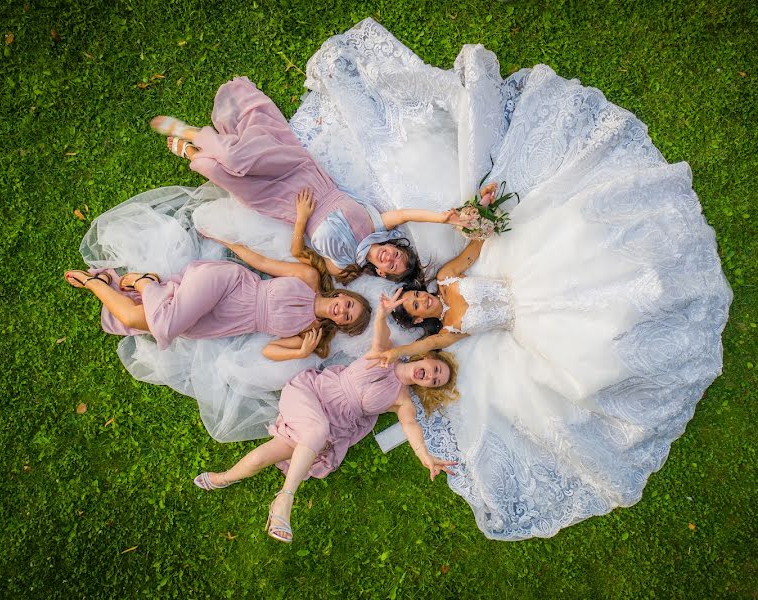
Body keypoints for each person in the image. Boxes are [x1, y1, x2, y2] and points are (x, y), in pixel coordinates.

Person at [295, 19, 732, 540]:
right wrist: (388, 342)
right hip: (531, 326)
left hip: (529, 281)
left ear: (422, 291)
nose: (421, 304)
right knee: (595, 355)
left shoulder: (451, 278)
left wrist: (480, 220)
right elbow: (415, 351)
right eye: (416, 307)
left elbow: (476, 245)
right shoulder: (450, 332)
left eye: (415, 298)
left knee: (584, 238)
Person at [192, 293, 459, 543]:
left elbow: (411, 428)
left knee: (263, 457)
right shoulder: (385, 356)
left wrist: (425, 456)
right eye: (435, 369)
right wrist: (381, 314)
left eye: (436, 381)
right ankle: (284, 499)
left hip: (329, 426)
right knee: (316, 429)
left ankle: (224, 478)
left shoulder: (401, 401)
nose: (431, 376)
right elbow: (381, 335)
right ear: (426, 357)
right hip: (310, 395)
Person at [149, 76, 469, 283]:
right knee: (238, 159)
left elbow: (301, 254)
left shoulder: (343, 267)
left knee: (227, 176)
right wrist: (445, 218)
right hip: (305, 176)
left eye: (394, 265)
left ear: (383, 272)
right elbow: (409, 214)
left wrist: (302, 219)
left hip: (287, 205)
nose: (392, 258)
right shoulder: (376, 225)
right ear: (395, 247)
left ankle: (193, 152)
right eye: (398, 255)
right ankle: (193, 134)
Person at [64, 234, 370, 360]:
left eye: (346, 317)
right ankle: (145, 285)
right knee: (164, 324)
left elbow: (269, 351)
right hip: (229, 285)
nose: (343, 310)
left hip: (224, 321)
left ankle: (98, 282)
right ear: (344, 294)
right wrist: (224, 238)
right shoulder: (309, 278)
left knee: (134, 318)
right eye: (349, 304)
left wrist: (300, 353)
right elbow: (261, 263)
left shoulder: (309, 332)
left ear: (339, 324)